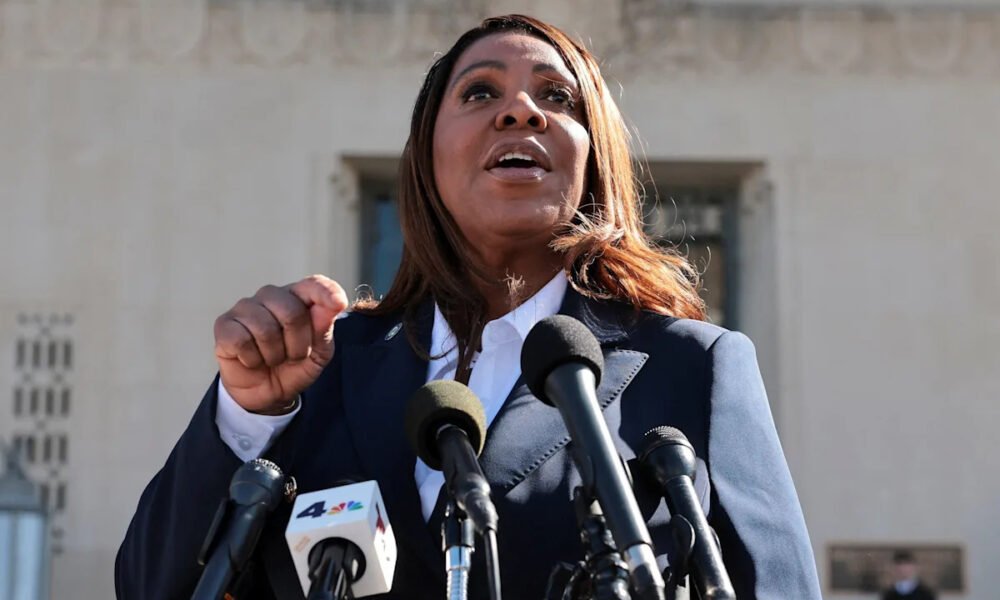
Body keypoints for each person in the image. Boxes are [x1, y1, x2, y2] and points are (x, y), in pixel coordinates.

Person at [116, 14, 822, 600]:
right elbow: (151, 586)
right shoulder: (321, 365)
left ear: (593, 158)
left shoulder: (690, 366)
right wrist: (248, 416)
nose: (521, 110)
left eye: (557, 96)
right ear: (427, 157)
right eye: (480, 92)